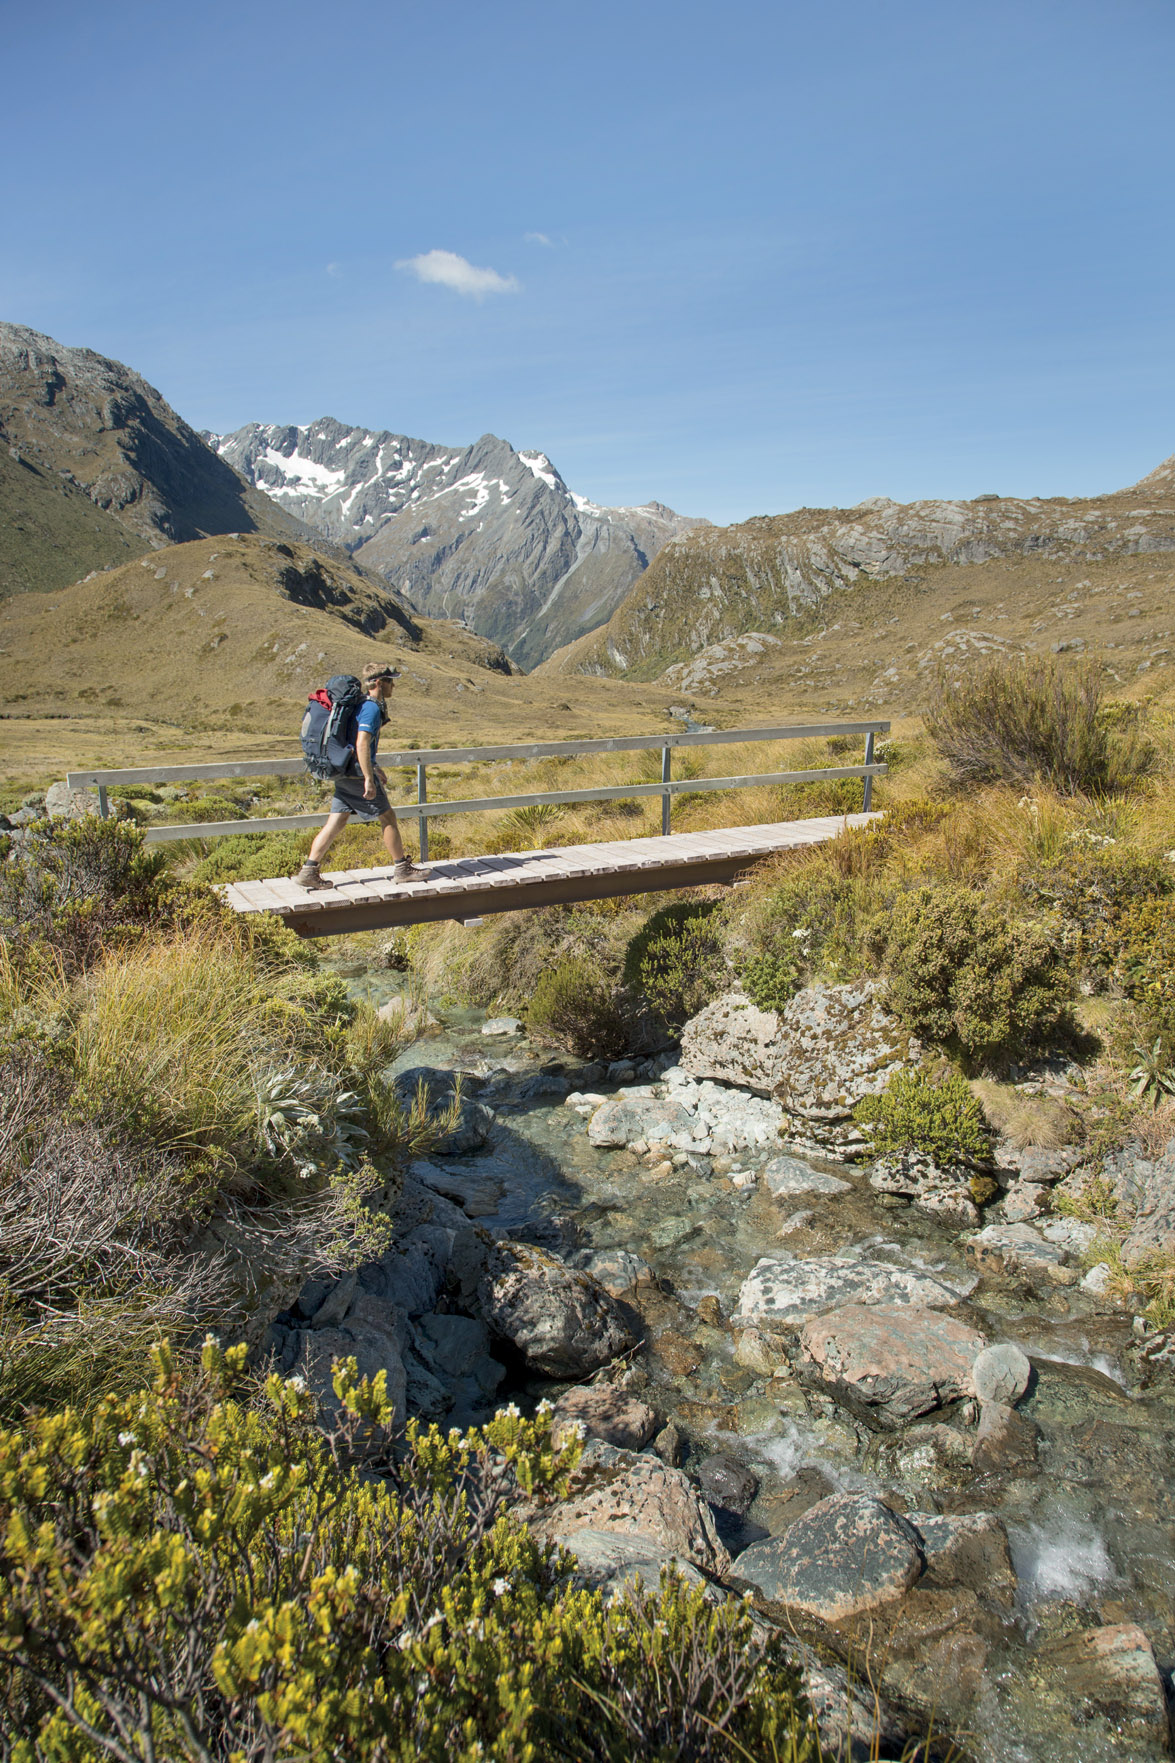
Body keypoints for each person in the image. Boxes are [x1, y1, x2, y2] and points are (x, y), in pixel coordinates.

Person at [293, 661, 430, 889]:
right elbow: (362, 743)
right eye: (390, 682)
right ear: (378, 682)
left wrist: (374, 767)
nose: (393, 687)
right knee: (387, 817)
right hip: (356, 774)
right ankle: (402, 869)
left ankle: (309, 870)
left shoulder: (361, 706)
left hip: (344, 771)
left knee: (337, 819)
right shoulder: (371, 708)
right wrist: (368, 777)